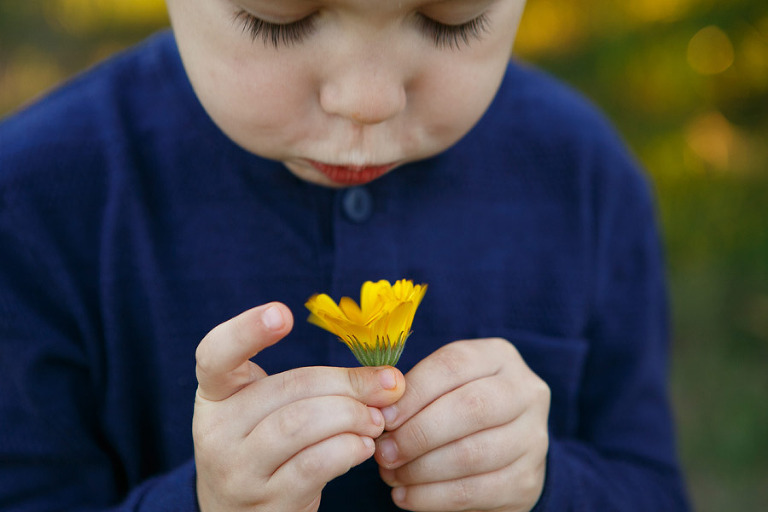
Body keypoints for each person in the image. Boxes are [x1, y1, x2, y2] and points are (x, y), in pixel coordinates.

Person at [0, 0, 690, 510]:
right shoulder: (32, 201)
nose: (368, 101)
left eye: (453, 21)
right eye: (278, 19)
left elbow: (651, 487)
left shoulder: (586, 177)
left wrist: (546, 485)